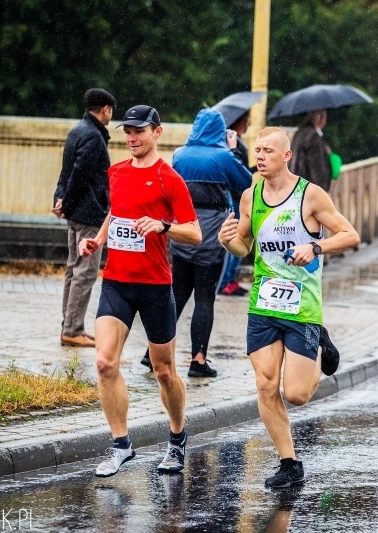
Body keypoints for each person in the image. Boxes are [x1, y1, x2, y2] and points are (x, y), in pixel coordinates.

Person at [218, 126, 360, 488]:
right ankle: (289, 463)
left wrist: (315, 247)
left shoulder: (310, 195)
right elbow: (243, 247)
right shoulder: (251, 196)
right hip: (264, 302)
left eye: (268, 150)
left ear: (286, 156)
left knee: (296, 394)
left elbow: (349, 235)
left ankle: (320, 342)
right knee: (266, 385)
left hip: (303, 306)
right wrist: (227, 242)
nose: (260, 156)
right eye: (258, 150)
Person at [78, 105, 202, 477]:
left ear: (157, 133)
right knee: (104, 363)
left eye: (139, 131)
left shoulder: (170, 179)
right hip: (116, 282)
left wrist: (163, 227)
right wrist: (97, 240)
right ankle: (120, 444)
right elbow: (115, 212)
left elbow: (195, 233)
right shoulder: (116, 172)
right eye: (127, 131)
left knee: (164, 372)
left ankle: (178, 438)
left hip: (155, 286)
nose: (132, 137)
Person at [140, 109, 252, 378]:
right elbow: (246, 184)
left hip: (183, 230)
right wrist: (235, 151)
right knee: (204, 297)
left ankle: (151, 352)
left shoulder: (180, 155)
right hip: (212, 234)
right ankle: (198, 360)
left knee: (176, 295)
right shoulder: (224, 156)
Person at [52, 88, 117, 348]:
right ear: (105, 109)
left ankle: (70, 326)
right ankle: (73, 329)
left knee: (73, 269)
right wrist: (66, 203)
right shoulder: (93, 136)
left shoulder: (78, 130)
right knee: (85, 273)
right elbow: (78, 175)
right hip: (89, 213)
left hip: (76, 212)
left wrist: (60, 200)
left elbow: (66, 171)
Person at [219, 110, 257, 297]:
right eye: (247, 120)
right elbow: (234, 170)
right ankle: (226, 282)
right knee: (234, 238)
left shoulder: (237, 141)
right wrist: (233, 148)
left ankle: (229, 280)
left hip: (238, 196)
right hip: (233, 198)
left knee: (240, 238)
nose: (248, 124)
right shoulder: (229, 142)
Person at [289, 109, 332, 192]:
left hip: (295, 187)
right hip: (308, 190)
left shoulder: (299, 133)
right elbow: (317, 170)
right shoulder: (314, 136)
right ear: (321, 118)